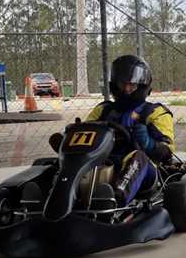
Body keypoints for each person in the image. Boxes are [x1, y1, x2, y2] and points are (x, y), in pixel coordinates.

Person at [72, 55, 175, 205]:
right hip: (103, 162)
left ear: (142, 86)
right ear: (115, 85)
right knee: (65, 160)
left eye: (132, 85)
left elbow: (167, 152)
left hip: (142, 168)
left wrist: (149, 143)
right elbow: (87, 134)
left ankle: (115, 199)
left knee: (138, 157)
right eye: (122, 84)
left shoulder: (154, 112)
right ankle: (52, 191)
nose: (126, 90)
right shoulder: (104, 110)